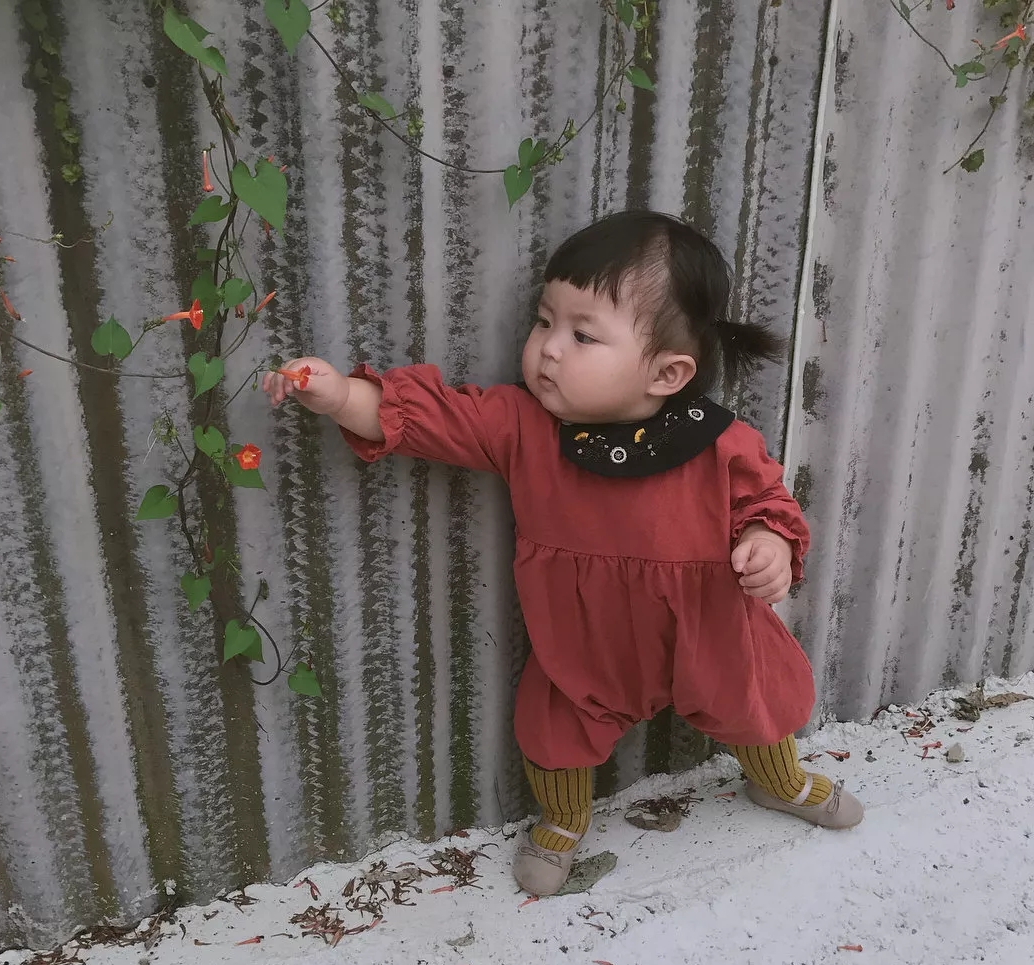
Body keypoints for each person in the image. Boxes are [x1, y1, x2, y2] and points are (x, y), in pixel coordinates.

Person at [263, 209, 863, 897]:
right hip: (586, 643)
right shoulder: (524, 426)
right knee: (555, 728)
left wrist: (768, 546)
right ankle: (563, 818)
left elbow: (771, 507)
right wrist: (339, 394)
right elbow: (432, 419)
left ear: (667, 373)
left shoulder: (717, 442)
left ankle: (779, 783)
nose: (549, 348)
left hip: (711, 627)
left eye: (582, 335)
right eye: (545, 322)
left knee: (753, 701)